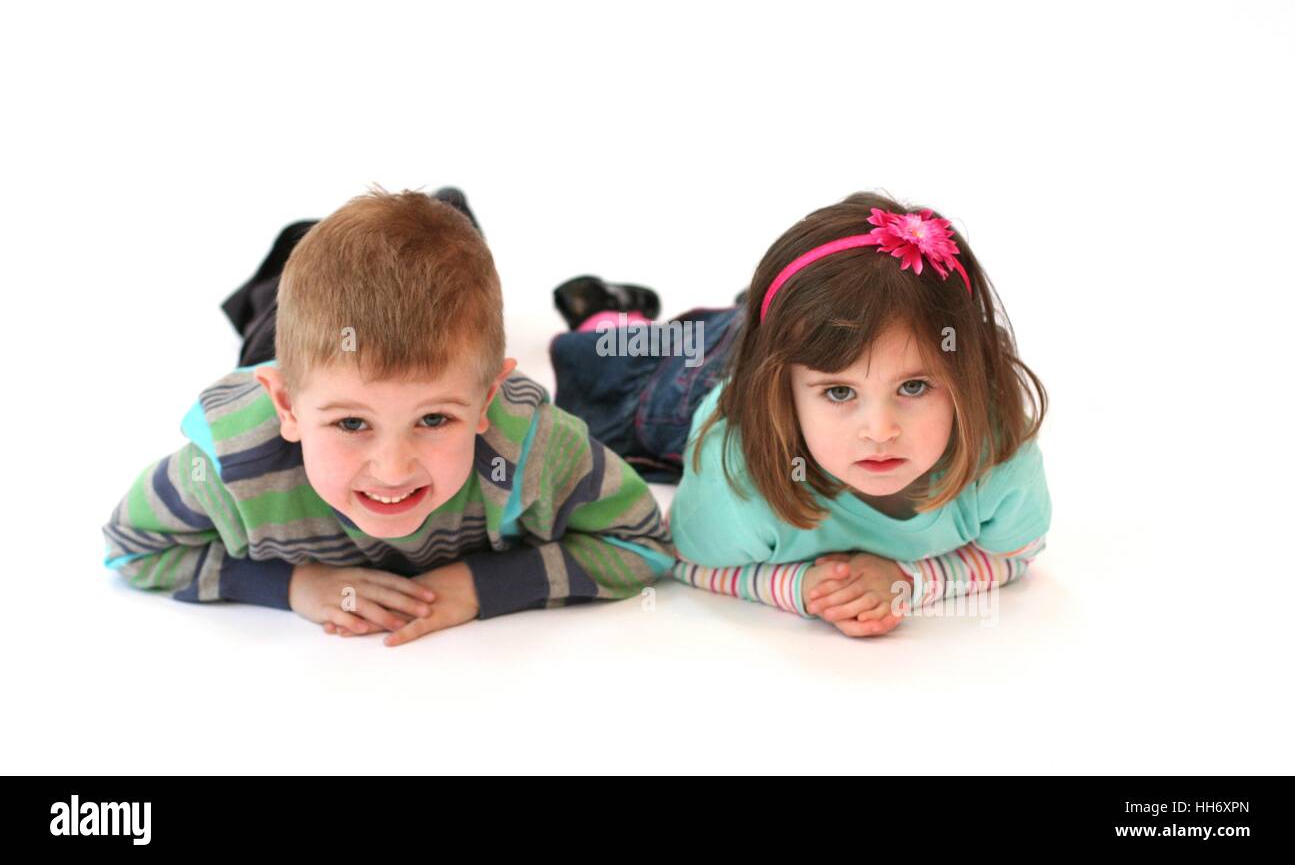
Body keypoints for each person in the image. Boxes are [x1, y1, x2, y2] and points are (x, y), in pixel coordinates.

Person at [102, 187, 675, 646]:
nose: (393, 469)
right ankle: (322, 244)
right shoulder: (232, 466)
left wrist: (480, 587)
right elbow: (132, 548)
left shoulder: (528, 447)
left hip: (361, 355)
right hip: (279, 335)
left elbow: (641, 542)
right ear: (285, 406)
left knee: (440, 275)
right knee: (277, 295)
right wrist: (295, 585)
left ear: (487, 399)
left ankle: (448, 213)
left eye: (434, 420)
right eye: (351, 424)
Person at [548, 191, 1051, 638]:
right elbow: (676, 556)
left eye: (914, 386)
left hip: (792, 348)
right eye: (839, 393)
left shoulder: (997, 450)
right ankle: (609, 316)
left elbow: (1018, 553)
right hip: (692, 385)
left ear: (967, 373)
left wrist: (907, 581)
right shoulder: (738, 471)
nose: (880, 431)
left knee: (776, 333)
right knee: (613, 372)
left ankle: (768, 327)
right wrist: (801, 588)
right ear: (780, 393)